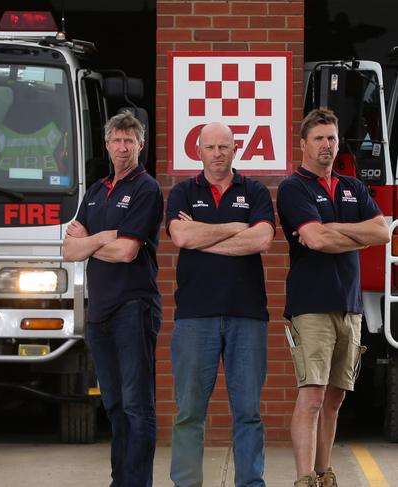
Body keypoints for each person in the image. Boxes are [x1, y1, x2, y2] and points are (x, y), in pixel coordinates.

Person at [276, 108, 390, 487]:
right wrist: (348, 234)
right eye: (319, 138)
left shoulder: (353, 187)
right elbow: (315, 239)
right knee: (311, 396)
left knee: (336, 399)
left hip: (350, 306)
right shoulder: (294, 188)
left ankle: (324, 474)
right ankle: (304, 477)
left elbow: (382, 232)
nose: (327, 145)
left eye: (332, 138)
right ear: (304, 144)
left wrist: (333, 230)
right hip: (311, 306)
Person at [167, 122, 275, 487]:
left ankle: (250, 484)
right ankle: (186, 484)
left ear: (235, 150)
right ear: (198, 151)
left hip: (248, 316)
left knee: (248, 414)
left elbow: (261, 239)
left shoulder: (255, 190)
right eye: (210, 147)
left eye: (224, 147)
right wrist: (236, 226)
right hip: (195, 316)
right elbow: (181, 235)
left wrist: (204, 236)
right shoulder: (183, 192)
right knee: (189, 413)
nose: (217, 153)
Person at [63, 112, 163, 487]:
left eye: (129, 140)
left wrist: (90, 241)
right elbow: (68, 250)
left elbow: (126, 253)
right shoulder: (96, 190)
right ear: (106, 145)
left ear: (140, 145)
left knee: (138, 406)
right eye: (116, 140)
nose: (122, 147)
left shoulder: (146, 188)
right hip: (100, 311)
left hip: (133, 308)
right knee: (115, 405)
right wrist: (104, 237)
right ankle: (120, 480)